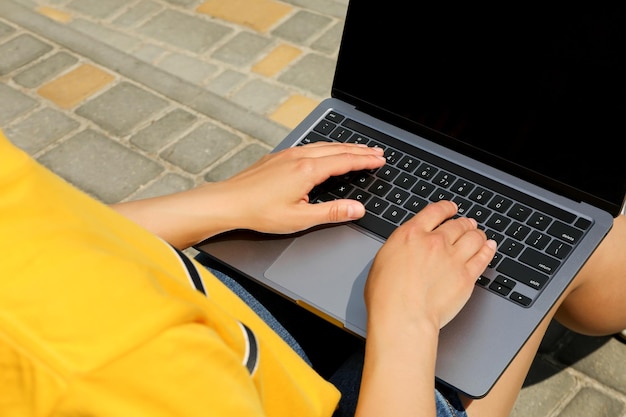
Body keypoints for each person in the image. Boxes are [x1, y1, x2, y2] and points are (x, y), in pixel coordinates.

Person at [1, 128, 625, 417]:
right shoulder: (83, 388)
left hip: (227, 320)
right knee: (581, 243)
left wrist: (224, 202)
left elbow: (46, 238)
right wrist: (408, 319)